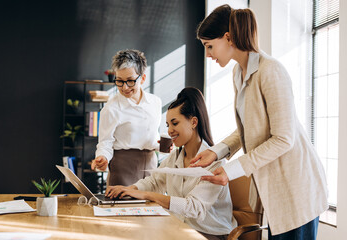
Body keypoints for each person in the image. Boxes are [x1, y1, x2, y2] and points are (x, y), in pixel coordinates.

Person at [190, 4, 328, 240]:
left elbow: (283, 138)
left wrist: (231, 170)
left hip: (296, 186)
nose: (208, 54)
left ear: (228, 38)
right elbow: (250, 127)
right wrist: (217, 152)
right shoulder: (238, 73)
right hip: (274, 189)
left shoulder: (270, 70)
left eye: (209, 46)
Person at [106, 87, 237, 240]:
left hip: (210, 234)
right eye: (168, 125)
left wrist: (146, 194)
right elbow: (155, 181)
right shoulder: (175, 157)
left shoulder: (215, 162)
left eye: (175, 123)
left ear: (193, 122)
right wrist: (129, 189)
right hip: (180, 228)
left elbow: (194, 208)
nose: (169, 131)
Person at [91, 49, 162, 186]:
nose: (124, 87)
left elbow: (152, 135)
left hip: (151, 167)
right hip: (123, 169)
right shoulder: (111, 108)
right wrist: (102, 157)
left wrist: (160, 145)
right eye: (119, 81)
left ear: (142, 78)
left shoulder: (155, 102)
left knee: (152, 206)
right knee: (124, 206)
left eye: (130, 81)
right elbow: (105, 142)